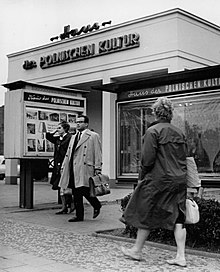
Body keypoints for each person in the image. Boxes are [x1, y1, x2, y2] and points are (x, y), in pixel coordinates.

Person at [121, 97, 187, 267]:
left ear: (155, 113)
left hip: (159, 179)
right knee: (179, 216)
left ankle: (136, 250)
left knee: (146, 212)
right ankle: (181, 256)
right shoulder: (179, 132)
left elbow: (147, 160)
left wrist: (141, 176)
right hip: (179, 179)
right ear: (170, 113)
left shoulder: (152, 131)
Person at [59, 115, 102, 222]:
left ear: (86, 124)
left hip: (85, 166)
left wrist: (98, 167)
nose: (78, 124)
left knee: (84, 189)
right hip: (73, 167)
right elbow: (69, 153)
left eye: (80, 122)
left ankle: (96, 204)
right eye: (76, 122)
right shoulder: (73, 137)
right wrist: (64, 165)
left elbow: (97, 152)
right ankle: (79, 215)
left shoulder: (93, 136)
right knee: (76, 190)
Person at [46, 121, 74, 214]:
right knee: (60, 186)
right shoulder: (58, 139)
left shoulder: (70, 138)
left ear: (65, 129)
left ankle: (71, 204)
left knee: (67, 186)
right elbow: (48, 137)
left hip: (66, 164)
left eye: (59, 128)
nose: (58, 130)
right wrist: (54, 131)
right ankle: (64, 206)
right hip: (58, 165)